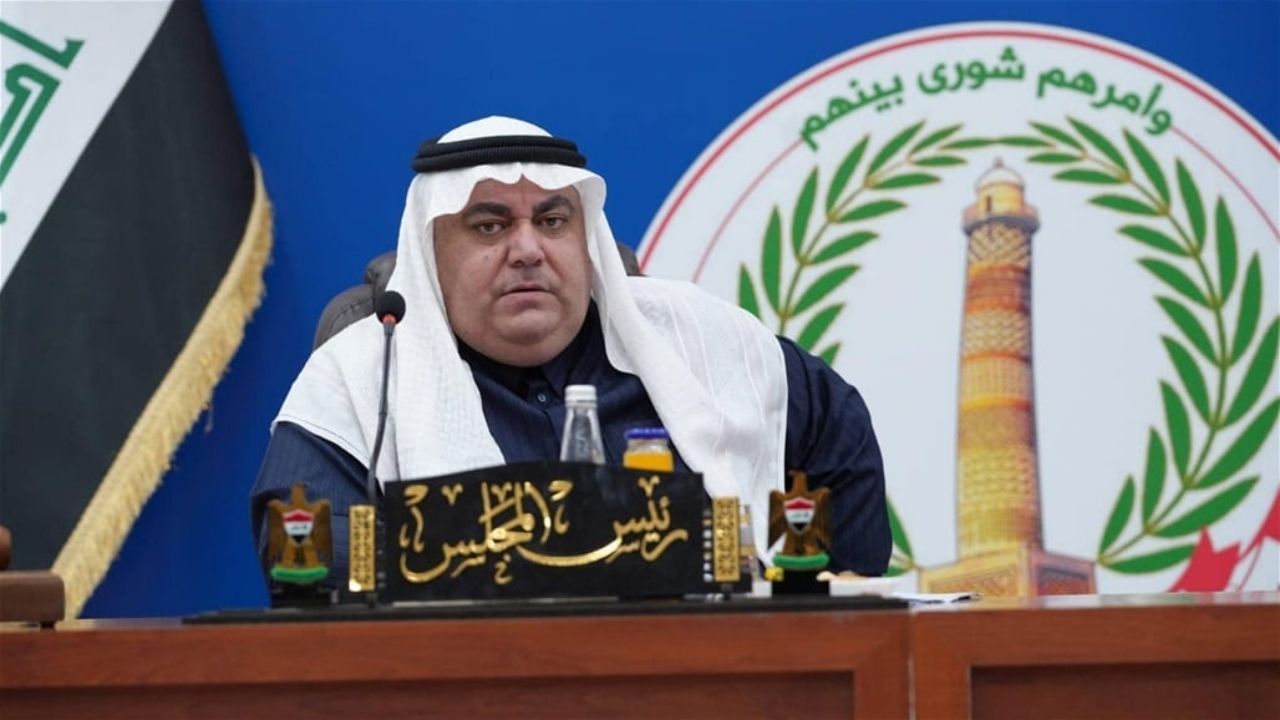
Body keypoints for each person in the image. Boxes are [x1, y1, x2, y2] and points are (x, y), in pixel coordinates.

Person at [251, 116, 889, 586]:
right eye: (490, 226)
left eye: (553, 222)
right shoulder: (361, 375)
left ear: (586, 241)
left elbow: (838, 436)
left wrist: (823, 612)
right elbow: (311, 558)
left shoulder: (697, 336)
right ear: (429, 255)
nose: (528, 250)